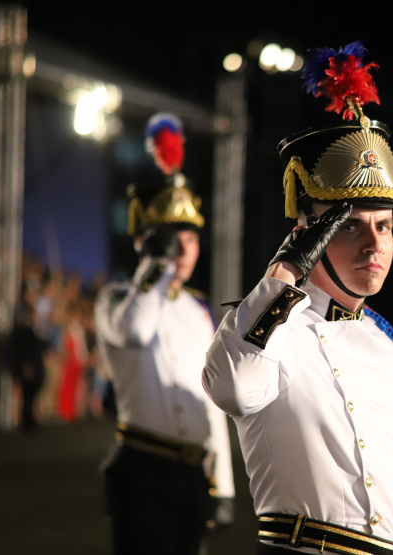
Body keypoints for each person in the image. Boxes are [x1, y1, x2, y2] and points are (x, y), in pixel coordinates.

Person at [202, 42, 393, 555]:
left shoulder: (383, 342)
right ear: (308, 233)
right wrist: (286, 268)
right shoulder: (268, 331)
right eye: (349, 226)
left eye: (385, 226)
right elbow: (231, 387)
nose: (375, 243)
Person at [95, 113, 235, 555]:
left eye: (191, 239)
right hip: (143, 468)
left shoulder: (196, 311)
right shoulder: (117, 298)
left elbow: (211, 401)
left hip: (195, 473)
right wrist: (153, 267)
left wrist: (224, 483)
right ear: (145, 241)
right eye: (172, 238)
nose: (183, 250)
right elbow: (135, 332)